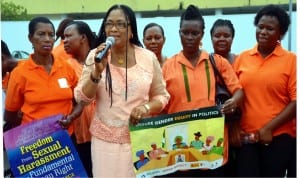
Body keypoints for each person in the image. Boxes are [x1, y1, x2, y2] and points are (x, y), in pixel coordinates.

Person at [74, 4, 170, 178]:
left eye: (120, 24)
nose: (114, 29)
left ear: (131, 29)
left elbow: (161, 96)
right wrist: (96, 72)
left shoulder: (148, 58)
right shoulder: (96, 56)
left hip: (140, 139)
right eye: (109, 24)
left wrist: (146, 108)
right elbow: (83, 98)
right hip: (105, 142)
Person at [161, 4, 244, 177]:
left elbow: (239, 92)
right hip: (181, 154)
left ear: (202, 34)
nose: (190, 37)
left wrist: (233, 102)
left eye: (195, 33)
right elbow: (160, 103)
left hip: (212, 150)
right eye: (186, 33)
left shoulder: (217, 62)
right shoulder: (168, 67)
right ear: (179, 33)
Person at [233, 4, 296, 177]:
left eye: (270, 29)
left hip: (278, 138)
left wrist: (268, 129)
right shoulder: (242, 58)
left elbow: (296, 101)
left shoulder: (291, 61)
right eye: (260, 27)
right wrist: (235, 128)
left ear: (280, 34)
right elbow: (234, 95)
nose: (263, 32)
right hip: (246, 138)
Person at [4, 16, 82, 134]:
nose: (47, 39)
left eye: (51, 35)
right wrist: (34, 128)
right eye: (41, 34)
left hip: (65, 138)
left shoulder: (66, 68)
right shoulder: (19, 73)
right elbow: (10, 115)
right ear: (30, 38)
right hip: (36, 144)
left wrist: (70, 118)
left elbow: (78, 101)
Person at [63, 20, 97, 177]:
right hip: (81, 137)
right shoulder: (65, 66)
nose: (65, 40)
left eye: (69, 36)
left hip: (106, 132)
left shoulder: (101, 58)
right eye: (64, 37)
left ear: (83, 37)